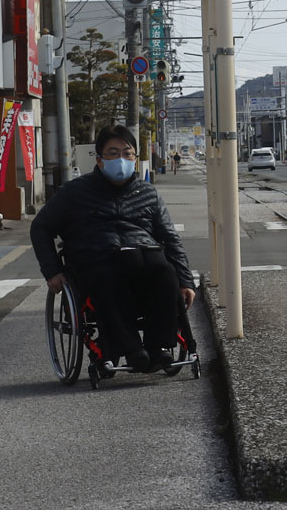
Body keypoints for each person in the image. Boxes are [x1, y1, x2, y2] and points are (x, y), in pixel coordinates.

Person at [30, 124, 197, 372]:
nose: (121, 159)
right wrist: (52, 271)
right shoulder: (74, 193)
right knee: (110, 272)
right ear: (99, 160)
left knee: (164, 271)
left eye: (127, 153)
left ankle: (158, 347)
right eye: (113, 153)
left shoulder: (147, 193)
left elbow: (170, 238)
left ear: (135, 159)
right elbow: (40, 227)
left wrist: (185, 281)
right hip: (97, 259)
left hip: (144, 257)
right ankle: (131, 349)